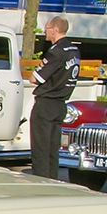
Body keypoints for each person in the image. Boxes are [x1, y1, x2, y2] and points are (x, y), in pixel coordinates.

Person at [29, 16, 80, 179]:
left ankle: (40, 182)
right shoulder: (74, 50)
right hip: (60, 104)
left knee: (41, 149)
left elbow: (35, 78)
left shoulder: (56, 51)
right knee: (52, 149)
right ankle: (52, 180)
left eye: (47, 28)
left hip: (46, 103)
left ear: (55, 29)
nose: (45, 31)